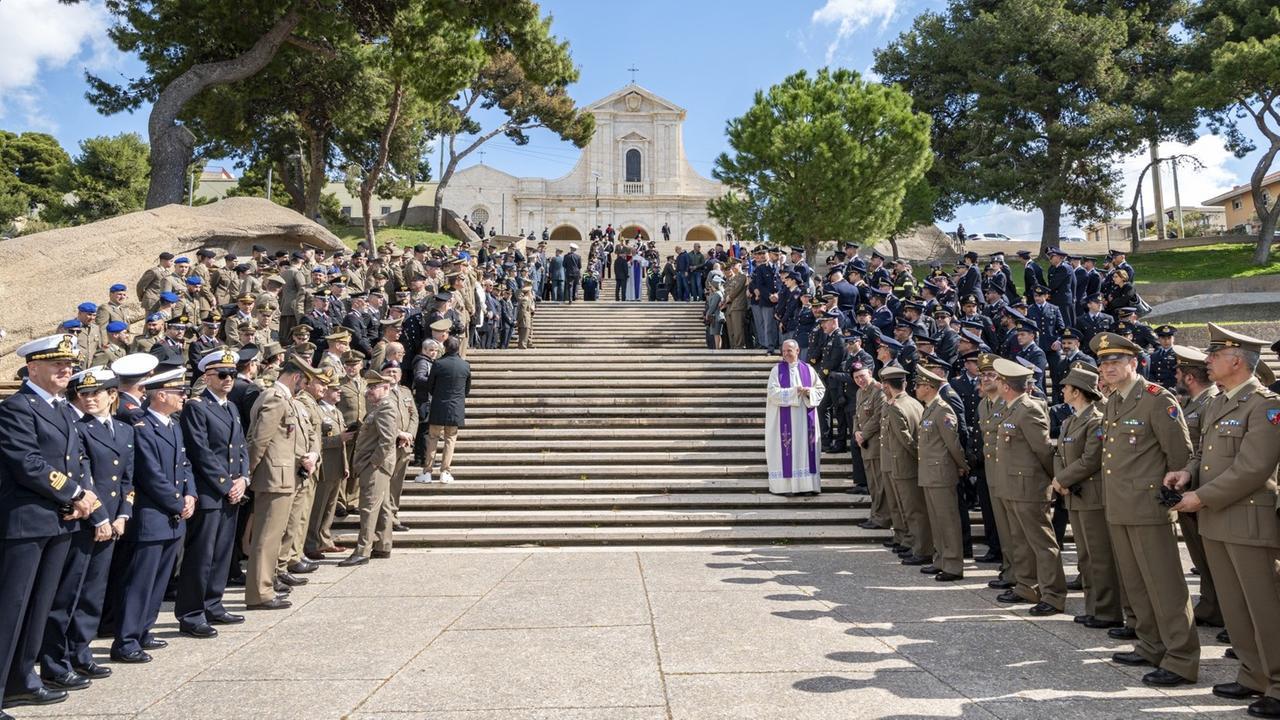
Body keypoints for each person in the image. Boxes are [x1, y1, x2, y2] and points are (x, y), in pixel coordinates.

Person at [1165, 324, 1280, 716]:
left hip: (1248, 522)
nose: (1208, 361)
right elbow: (1204, 454)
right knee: (1233, 605)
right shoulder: (1218, 403)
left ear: (1237, 360)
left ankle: (1278, 684)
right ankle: (1253, 674)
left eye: (1215, 355)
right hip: (1217, 519)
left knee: (1263, 606)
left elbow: (1253, 468)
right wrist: (1186, 473)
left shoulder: (1263, 405)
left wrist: (1200, 496)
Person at [1090, 330, 1198, 687]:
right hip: (1119, 507)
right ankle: (1151, 644)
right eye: (1104, 362)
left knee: (1165, 585)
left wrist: (1173, 490)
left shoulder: (1155, 398)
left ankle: (1181, 658)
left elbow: (1181, 456)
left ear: (1134, 363)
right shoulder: (1115, 402)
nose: (1108, 368)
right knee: (1136, 584)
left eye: (1115, 361)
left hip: (1149, 508)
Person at [0, 335, 101, 711]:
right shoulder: (17, 408)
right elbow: (28, 463)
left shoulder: (60, 408)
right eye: (57, 364)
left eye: (69, 364)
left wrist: (82, 498)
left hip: (59, 520)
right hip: (26, 523)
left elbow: (74, 460)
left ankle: (22, 679)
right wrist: (75, 493)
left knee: (39, 607)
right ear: (32, 368)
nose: (66, 370)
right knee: (11, 609)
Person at [39, 368, 132, 691]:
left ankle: (81, 651)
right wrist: (101, 518)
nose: (90, 399)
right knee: (68, 595)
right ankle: (55, 661)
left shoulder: (123, 430)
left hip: (112, 522)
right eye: (83, 394)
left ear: (112, 395)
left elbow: (126, 480)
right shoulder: (76, 429)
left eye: (97, 393)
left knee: (92, 594)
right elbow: (85, 478)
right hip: (85, 521)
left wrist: (123, 515)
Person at [111, 367, 196, 664]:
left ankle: (144, 629)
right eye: (178, 392)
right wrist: (177, 501)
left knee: (159, 579)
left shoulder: (173, 424)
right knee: (140, 581)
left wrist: (190, 495)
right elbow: (149, 474)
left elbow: (184, 464)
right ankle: (126, 640)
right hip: (152, 515)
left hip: (173, 515)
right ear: (160, 395)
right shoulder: (142, 427)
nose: (183, 397)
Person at [175, 350, 248, 639]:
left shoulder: (230, 407)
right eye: (222, 374)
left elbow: (240, 446)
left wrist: (243, 477)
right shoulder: (197, 407)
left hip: (231, 490)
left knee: (221, 553)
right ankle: (191, 613)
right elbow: (201, 451)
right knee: (201, 555)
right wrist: (225, 483)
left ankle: (213, 603)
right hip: (210, 491)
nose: (229, 379)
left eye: (232, 374)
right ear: (207, 376)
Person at [991, 357, 1065, 616]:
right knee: (1020, 541)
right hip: (1012, 486)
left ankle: (1053, 594)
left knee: (1041, 542)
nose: (996, 383)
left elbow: (1044, 450)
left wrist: (1053, 480)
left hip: (1029, 487)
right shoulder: (1012, 408)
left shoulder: (1029, 408)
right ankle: (1027, 586)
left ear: (1007, 385)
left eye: (999, 380)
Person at [1050, 366, 1122, 629]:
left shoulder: (1096, 420)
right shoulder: (1070, 420)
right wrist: (1060, 480)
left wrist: (1063, 480)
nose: (1063, 391)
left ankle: (1106, 610)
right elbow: (1059, 454)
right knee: (1085, 555)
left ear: (1077, 392)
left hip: (1092, 495)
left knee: (1099, 555)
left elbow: (1091, 458)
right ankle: (1094, 606)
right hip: (1074, 495)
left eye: (1067, 388)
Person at [244, 359, 315, 611]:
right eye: (304, 382)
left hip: (283, 477)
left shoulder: (284, 399)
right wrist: (247, 474)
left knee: (272, 537)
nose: (304, 388)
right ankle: (259, 593)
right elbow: (259, 441)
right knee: (266, 538)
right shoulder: (274, 397)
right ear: (296, 378)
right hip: (273, 478)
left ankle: (265, 586)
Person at [1168, 344, 1224, 630]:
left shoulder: (1211, 402)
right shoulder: (1193, 404)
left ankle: (1222, 610)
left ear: (1189, 377)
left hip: (1204, 493)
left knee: (1213, 559)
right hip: (1189, 488)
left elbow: (1206, 452)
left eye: (1179, 371)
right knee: (1201, 557)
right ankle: (1211, 605)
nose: (1176, 375)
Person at [339, 371, 399, 567]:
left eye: (373, 387)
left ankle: (362, 550)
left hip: (375, 465)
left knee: (368, 507)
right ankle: (382, 545)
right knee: (382, 507)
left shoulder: (385, 408)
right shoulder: (379, 407)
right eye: (369, 387)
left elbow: (388, 440)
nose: (369, 391)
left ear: (386, 388)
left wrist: (374, 462)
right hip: (376, 464)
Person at [913, 367, 968, 581]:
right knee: (936, 520)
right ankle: (941, 559)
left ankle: (953, 564)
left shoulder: (943, 410)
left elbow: (953, 444)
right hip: (930, 472)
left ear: (928, 387)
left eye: (918, 385)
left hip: (941, 472)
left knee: (948, 520)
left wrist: (962, 465)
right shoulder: (929, 408)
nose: (915, 389)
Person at [880, 365, 931, 565]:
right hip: (903, 463)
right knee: (909, 508)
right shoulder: (913, 402)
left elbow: (906, 440)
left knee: (913, 510)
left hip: (904, 464)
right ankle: (912, 543)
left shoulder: (897, 407)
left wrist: (916, 458)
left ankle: (921, 548)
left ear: (886, 385)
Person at [765, 339, 825, 495]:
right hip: (784, 420)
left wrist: (808, 392)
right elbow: (772, 393)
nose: (786, 354)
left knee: (806, 449)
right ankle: (786, 487)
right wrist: (794, 392)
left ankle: (808, 486)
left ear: (797, 351)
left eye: (789, 351)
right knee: (786, 450)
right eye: (784, 351)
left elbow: (820, 389)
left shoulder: (809, 369)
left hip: (805, 419)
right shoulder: (776, 371)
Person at [422, 336, 471, 484]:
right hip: (456, 407)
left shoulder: (438, 364)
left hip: (438, 405)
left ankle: (427, 472)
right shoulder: (465, 365)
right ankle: (445, 471)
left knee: (432, 438)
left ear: (445, 347)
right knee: (450, 440)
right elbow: (467, 390)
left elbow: (430, 385)